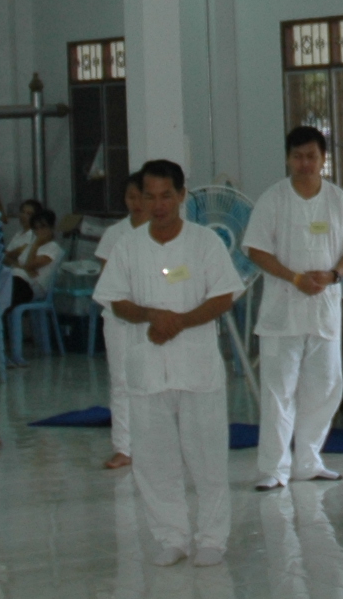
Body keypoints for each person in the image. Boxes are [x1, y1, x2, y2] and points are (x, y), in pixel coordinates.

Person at [93, 161, 244, 567]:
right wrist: (151, 316)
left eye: (166, 196)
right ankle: (171, 536)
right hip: (147, 366)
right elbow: (116, 300)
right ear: (140, 199)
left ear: (181, 196)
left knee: (208, 457)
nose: (158, 205)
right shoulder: (128, 246)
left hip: (196, 365)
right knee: (154, 460)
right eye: (150, 197)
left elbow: (224, 296)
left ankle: (212, 538)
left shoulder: (205, 243)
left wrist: (179, 322)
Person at [245, 126, 343, 491]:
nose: (305, 164)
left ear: (323, 159)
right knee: (278, 391)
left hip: (324, 310)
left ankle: (308, 461)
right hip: (282, 312)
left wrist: (334, 275)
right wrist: (294, 277)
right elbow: (256, 249)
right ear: (288, 159)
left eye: (311, 157)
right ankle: (274, 467)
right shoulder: (273, 199)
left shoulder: (338, 200)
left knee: (325, 387)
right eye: (298, 157)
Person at [93, 173, 151, 471]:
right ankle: (123, 447)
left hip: (156, 316)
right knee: (121, 382)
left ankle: (156, 444)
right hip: (118, 317)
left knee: (156, 381)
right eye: (131, 197)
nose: (136, 203)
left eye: (142, 197)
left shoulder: (164, 231)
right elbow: (108, 277)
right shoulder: (114, 234)